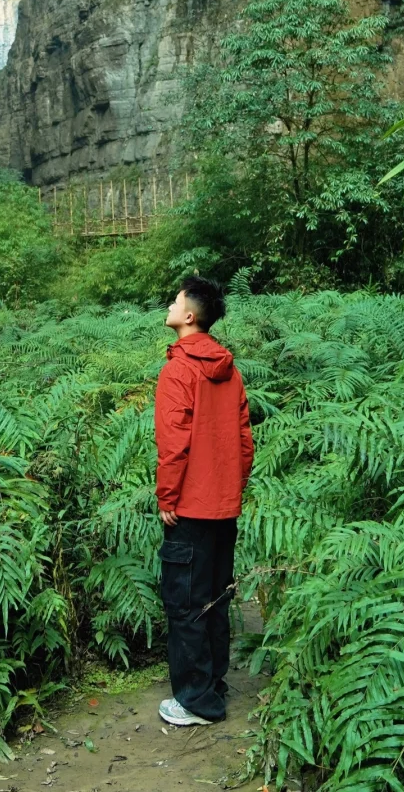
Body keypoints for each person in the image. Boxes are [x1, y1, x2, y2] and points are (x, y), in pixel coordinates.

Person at [154, 275, 254, 726]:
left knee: (186, 602)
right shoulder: (229, 370)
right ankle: (212, 685)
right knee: (215, 597)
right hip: (223, 506)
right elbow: (244, 440)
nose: (170, 306)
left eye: (175, 301)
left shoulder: (178, 370)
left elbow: (173, 443)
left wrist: (167, 496)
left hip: (190, 508)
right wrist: (233, 486)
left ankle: (196, 701)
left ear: (189, 317)